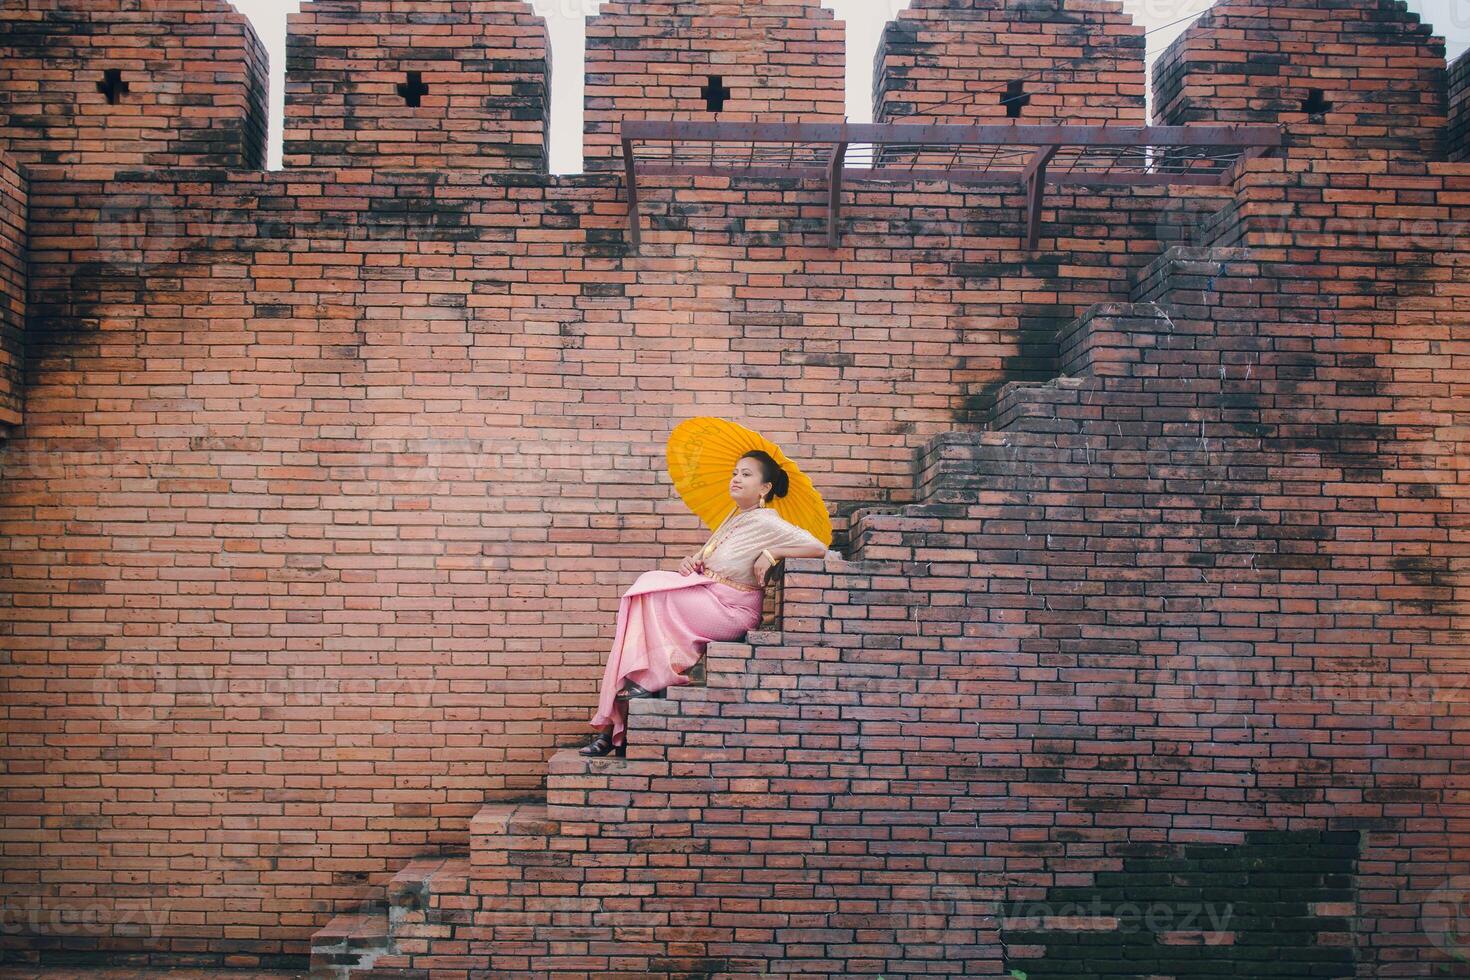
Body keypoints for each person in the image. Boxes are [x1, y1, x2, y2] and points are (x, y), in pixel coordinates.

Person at [580, 450, 829, 757]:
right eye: (735, 473)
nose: (736, 479)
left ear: (765, 488)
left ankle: (635, 698)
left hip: (732, 610)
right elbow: (717, 561)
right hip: (709, 596)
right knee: (644, 596)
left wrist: (772, 553)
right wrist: (693, 562)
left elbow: (817, 547)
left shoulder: (768, 521)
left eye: (747, 474)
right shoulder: (734, 517)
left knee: (648, 590)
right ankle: (624, 711)